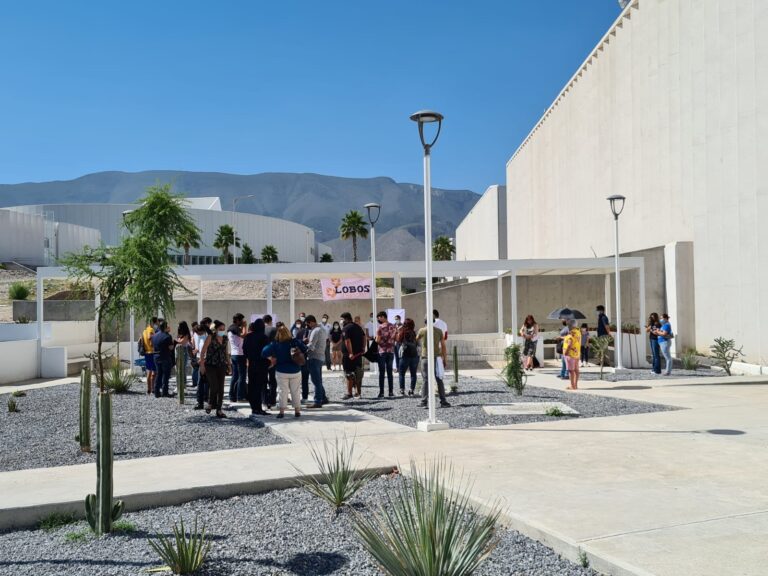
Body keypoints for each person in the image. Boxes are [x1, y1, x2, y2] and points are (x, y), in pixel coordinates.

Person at [262, 324, 307, 418]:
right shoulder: (294, 342)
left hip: (281, 371)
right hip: (295, 370)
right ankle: (297, 411)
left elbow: (264, 352)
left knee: (283, 391)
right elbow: (305, 348)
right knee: (296, 391)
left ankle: (282, 412)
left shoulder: (275, 344)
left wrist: (272, 357)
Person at [199, 319, 231, 418]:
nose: (222, 331)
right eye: (220, 329)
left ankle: (219, 410)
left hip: (221, 364)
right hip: (210, 365)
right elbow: (203, 351)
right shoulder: (210, 337)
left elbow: (226, 352)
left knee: (221, 388)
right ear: (216, 329)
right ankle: (210, 403)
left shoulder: (225, 339)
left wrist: (229, 365)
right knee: (214, 386)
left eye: (223, 329)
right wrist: (202, 365)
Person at [417, 320, 450, 408]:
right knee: (439, 379)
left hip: (425, 357)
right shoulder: (439, 331)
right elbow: (443, 345)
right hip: (437, 357)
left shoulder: (422, 330)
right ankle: (443, 401)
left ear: (425, 322)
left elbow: (416, 340)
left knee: (426, 380)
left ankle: (424, 401)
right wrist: (445, 358)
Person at [243, 319, 270, 418]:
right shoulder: (264, 337)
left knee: (252, 385)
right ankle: (258, 408)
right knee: (260, 386)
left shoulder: (248, 337)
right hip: (261, 364)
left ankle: (254, 407)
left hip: (251, 363)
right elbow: (266, 351)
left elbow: (244, 350)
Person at [341, 312, 366, 399]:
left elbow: (347, 341)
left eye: (342, 319)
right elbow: (364, 337)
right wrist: (363, 348)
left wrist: (350, 353)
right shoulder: (358, 327)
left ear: (346, 319)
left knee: (349, 373)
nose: (341, 321)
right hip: (358, 354)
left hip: (349, 356)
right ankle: (358, 392)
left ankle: (349, 393)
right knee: (358, 373)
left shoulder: (346, 328)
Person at [305, 315, 328, 408]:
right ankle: (323, 398)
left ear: (311, 322)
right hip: (321, 357)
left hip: (314, 357)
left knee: (316, 381)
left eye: (308, 324)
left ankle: (317, 401)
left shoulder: (315, 331)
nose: (308, 326)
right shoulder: (322, 329)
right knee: (319, 380)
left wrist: (302, 348)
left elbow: (311, 346)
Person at [151, 319, 175, 398]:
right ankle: (165, 392)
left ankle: (156, 392)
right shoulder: (167, 336)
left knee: (159, 374)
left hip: (156, 357)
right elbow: (171, 348)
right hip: (165, 357)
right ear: (165, 327)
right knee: (166, 375)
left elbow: (152, 345)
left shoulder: (154, 335)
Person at [375, 311, 396, 397]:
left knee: (382, 372)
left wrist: (376, 339)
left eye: (379, 317)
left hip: (382, 351)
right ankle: (390, 392)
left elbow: (377, 340)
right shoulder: (393, 326)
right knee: (390, 372)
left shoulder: (380, 327)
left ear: (383, 317)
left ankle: (381, 392)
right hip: (390, 351)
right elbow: (395, 338)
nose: (378, 319)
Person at [396, 318, 419, 395]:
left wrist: (399, 330)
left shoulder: (403, 332)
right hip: (414, 355)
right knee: (413, 374)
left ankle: (402, 390)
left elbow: (398, 340)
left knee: (402, 373)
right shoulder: (414, 333)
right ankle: (412, 390)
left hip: (405, 355)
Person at [228, 313, 247, 402]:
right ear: (238, 320)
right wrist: (244, 326)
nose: (243, 322)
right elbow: (243, 335)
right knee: (242, 376)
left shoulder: (231, 328)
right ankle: (240, 396)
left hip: (234, 354)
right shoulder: (234, 328)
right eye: (242, 320)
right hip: (239, 354)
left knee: (235, 376)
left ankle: (232, 396)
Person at [192, 321, 210, 410]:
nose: (198, 334)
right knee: (201, 382)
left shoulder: (207, 338)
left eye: (200, 333)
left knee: (204, 383)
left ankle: (204, 401)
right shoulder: (201, 337)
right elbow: (199, 349)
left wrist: (202, 361)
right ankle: (201, 401)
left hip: (205, 361)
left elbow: (205, 351)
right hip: (201, 361)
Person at [263, 314, 278, 408]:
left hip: (263, 357)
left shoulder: (259, 330)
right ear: (270, 321)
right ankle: (272, 402)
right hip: (273, 358)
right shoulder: (274, 330)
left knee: (263, 381)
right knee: (273, 380)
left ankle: (264, 402)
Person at [562, 320, 582, 390]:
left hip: (570, 354)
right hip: (577, 353)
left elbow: (570, 343)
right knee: (576, 370)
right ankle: (575, 385)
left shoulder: (571, 333)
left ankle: (572, 386)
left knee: (571, 371)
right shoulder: (578, 332)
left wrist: (566, 352)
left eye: (568, 325)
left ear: (570, 325)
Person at [142, 316, 158, 395]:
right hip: (152, 352)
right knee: (154, 372)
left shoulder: (144, 330)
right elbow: (150, 338)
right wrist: (153, 345)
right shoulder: (151, 330)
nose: (157, 324)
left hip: (146, 353)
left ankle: (148, 389)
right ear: (154, 322)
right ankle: (153, 389)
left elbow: (141, 340)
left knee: (148, 371)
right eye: (157, 322)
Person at [176, 321, 192, 389]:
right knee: (179, 368)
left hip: (183, 351)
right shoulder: (180, 333)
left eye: (179, 325)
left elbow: (182, 342)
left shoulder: (186, 334)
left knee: (182, 368)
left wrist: (176, 341)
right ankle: (181, 383)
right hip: (179, 351)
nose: (178, 327)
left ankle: (183, 383)